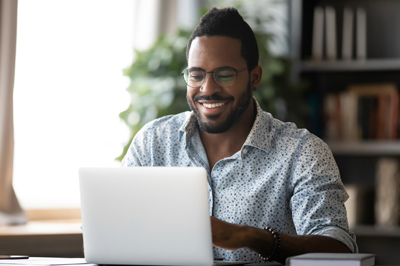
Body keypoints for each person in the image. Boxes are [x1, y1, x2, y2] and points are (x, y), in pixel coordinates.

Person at [121, 7, 357, 264]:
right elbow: (116, 226)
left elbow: (339, 250)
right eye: (196, 74)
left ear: (254, 78)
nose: (208, 89)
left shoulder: (302, 152)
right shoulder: (152, 143)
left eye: (225, 75)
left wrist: (249, 236)